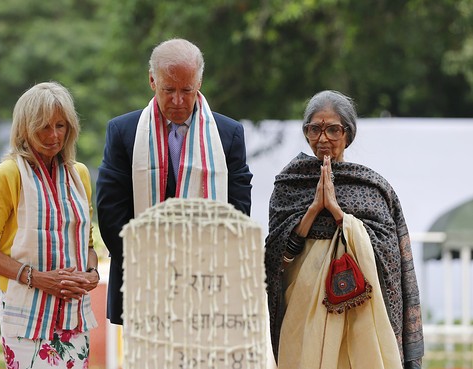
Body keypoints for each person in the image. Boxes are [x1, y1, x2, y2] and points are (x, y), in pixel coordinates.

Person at [96, 38, 253, 325]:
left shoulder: (228, 134)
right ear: (152, 81)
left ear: (199, 83)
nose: (178, 101)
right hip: (140, 281)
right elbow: (110, 213)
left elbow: (238, 210)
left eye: (187, 90)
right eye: (169, 90)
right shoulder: (122, 132)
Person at [265, 90, 424, 369]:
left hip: (359, 314)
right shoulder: (289, 185)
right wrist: (314, 209)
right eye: (315, 128)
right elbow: (277, 258)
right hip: (302, 313)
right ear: (306, 133)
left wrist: (339, 215)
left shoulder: (372, 188)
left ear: (348, 134)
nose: (323, 138)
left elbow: (387, 259)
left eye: (333, 130)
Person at [0, 81, 98, 369]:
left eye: (61, 125)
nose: (53, 135)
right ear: (25, 129)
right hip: (25, 312)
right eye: (43, 126)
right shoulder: (7, 175)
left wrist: (91, 273)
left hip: (72, 313)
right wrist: (38, 278)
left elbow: (87, 243)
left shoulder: (79, 175)